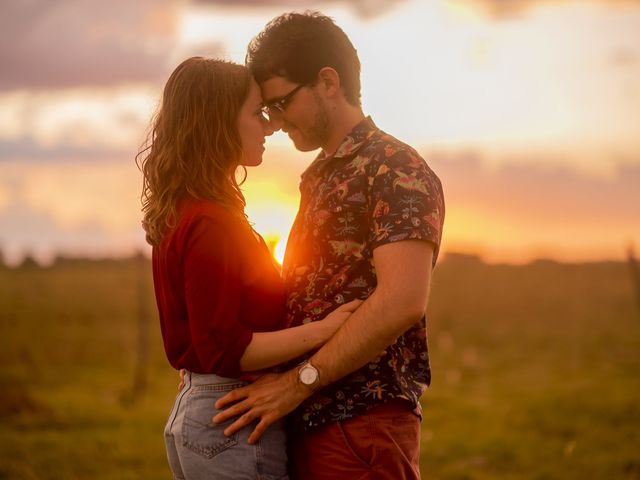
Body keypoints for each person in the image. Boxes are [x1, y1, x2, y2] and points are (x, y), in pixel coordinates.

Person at [212, 12, 445, 480]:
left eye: (280, 103)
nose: (274, 124)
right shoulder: (322, 175)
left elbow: (402, 301)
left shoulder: (395, 167)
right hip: (309, 420)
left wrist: (299, 383)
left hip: (361, 424)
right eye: (266, 112)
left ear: (327, 82)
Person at [136, 56, 360, 480]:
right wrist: (324, 330)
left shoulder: (187, 211)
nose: (271, 126)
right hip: (231, 419)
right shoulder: (211, 223)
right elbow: (223, 347)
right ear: (219, 122)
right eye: (257, 113)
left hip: (207, 411)